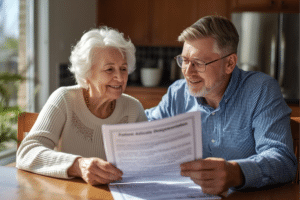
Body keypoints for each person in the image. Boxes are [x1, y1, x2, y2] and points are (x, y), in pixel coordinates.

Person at [145, 16, 297, 195]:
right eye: (184, 60)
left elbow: (283, 161)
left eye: (199, 63)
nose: (188, 71)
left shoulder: (261, 90)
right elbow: (143, 127)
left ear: (230, 63)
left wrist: (236, 172)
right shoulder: (177, 93)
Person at [16, 27, 147, 185]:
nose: (119, 77)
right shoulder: (64, 99)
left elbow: (150, 159)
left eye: (123, 68)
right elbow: (27, 152)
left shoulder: (134, 108)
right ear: (87, 74)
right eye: (109, 69)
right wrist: (78, 165)